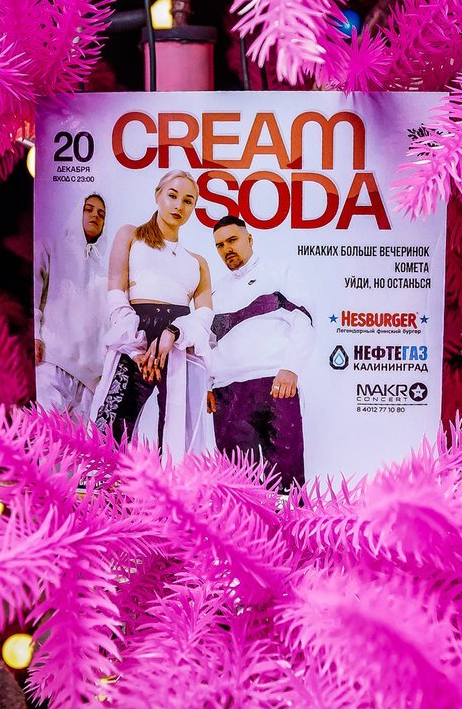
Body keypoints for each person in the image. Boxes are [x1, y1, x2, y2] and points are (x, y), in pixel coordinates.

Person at [94, 170, 215, 457]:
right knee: (113, 423)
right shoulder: (131, 235)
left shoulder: (197, 262)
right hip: (135, 334)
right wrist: (135, 348)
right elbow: (116, 293)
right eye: (172, 196)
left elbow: (204, 315)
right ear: (157, 195)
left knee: (177, 432)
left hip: (178, 344)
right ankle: (107, 483)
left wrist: (174, 333)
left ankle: (168, 485)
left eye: (188, 201)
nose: (179, 206)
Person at [205, 215, 314, 490]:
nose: (227, 249)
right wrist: (208, 383)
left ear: (249, 239)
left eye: (232, 240)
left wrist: (291, 368)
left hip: (273, 384)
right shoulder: (215, 292)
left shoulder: (279, 272)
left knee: (286, 476)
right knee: (238, 483)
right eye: (220, 245)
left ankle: (289, 518)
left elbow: (304, 320)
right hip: (227, 392)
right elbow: (208, 343)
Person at [34, 193, 109, 415]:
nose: (95, 216)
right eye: (89, 209)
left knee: (77, 438)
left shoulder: (104, 273)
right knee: (44, 431)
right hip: (52, 361)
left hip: (90, 381)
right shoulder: (50, 247)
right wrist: (34, 334)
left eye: (101, 214)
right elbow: (33, 291)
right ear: (77, 211)